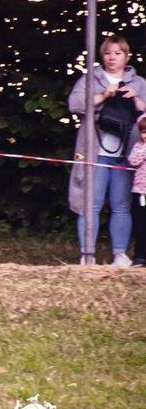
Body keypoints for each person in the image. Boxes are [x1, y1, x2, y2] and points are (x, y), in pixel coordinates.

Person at [67, 34, 146, 266]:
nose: (112, 58)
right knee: (90, 204)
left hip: (128, 155)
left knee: (121, 205)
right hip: (95, 153)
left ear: (127, 56)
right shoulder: (90, 79)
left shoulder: (139, 83)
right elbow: (74, 105)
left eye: (118, 53)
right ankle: (87, 254)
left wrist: (138, 101)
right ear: (102, 56)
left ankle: (119, 254)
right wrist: (103, 95)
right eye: (108, 53)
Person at [126, 117, 146, 265]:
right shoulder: (138, 146)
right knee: (140, 225)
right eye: (144, 132)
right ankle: (140, 256)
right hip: (140, 191)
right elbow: (133, 161)